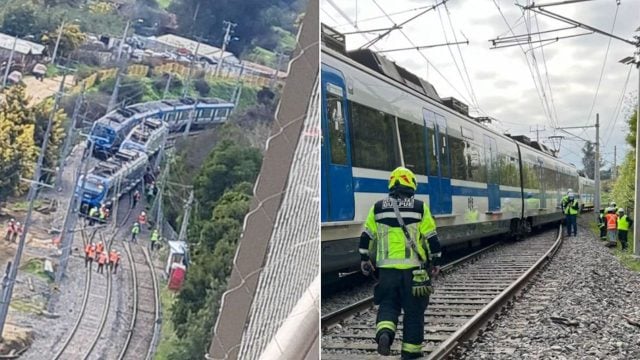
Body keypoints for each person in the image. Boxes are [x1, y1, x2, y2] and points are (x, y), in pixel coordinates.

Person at [358, 167, 442, 359]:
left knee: (388, 304)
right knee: (414, 311)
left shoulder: (378, 208)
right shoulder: (420, 207)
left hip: (386, 272)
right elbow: (431, 238)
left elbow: (366, 237)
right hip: (414, 272)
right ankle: (410, 353)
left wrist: (364, 258)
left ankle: (385, 334)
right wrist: (436, 260)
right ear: (411, 184)